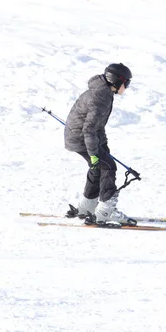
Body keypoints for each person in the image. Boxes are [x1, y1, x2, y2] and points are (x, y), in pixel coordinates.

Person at [64, 63, 133, 225]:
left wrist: (103, 147)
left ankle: (87, 206)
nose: (127, 87)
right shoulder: (101, 97)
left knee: (99, 165)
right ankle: (105, 211)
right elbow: (89, 129)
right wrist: (95, 153)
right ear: (116, 82)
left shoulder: (101, 92)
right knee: (108, 166)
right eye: (127, 83)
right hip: (82, 139)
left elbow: (97, 126)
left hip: (78, 137)